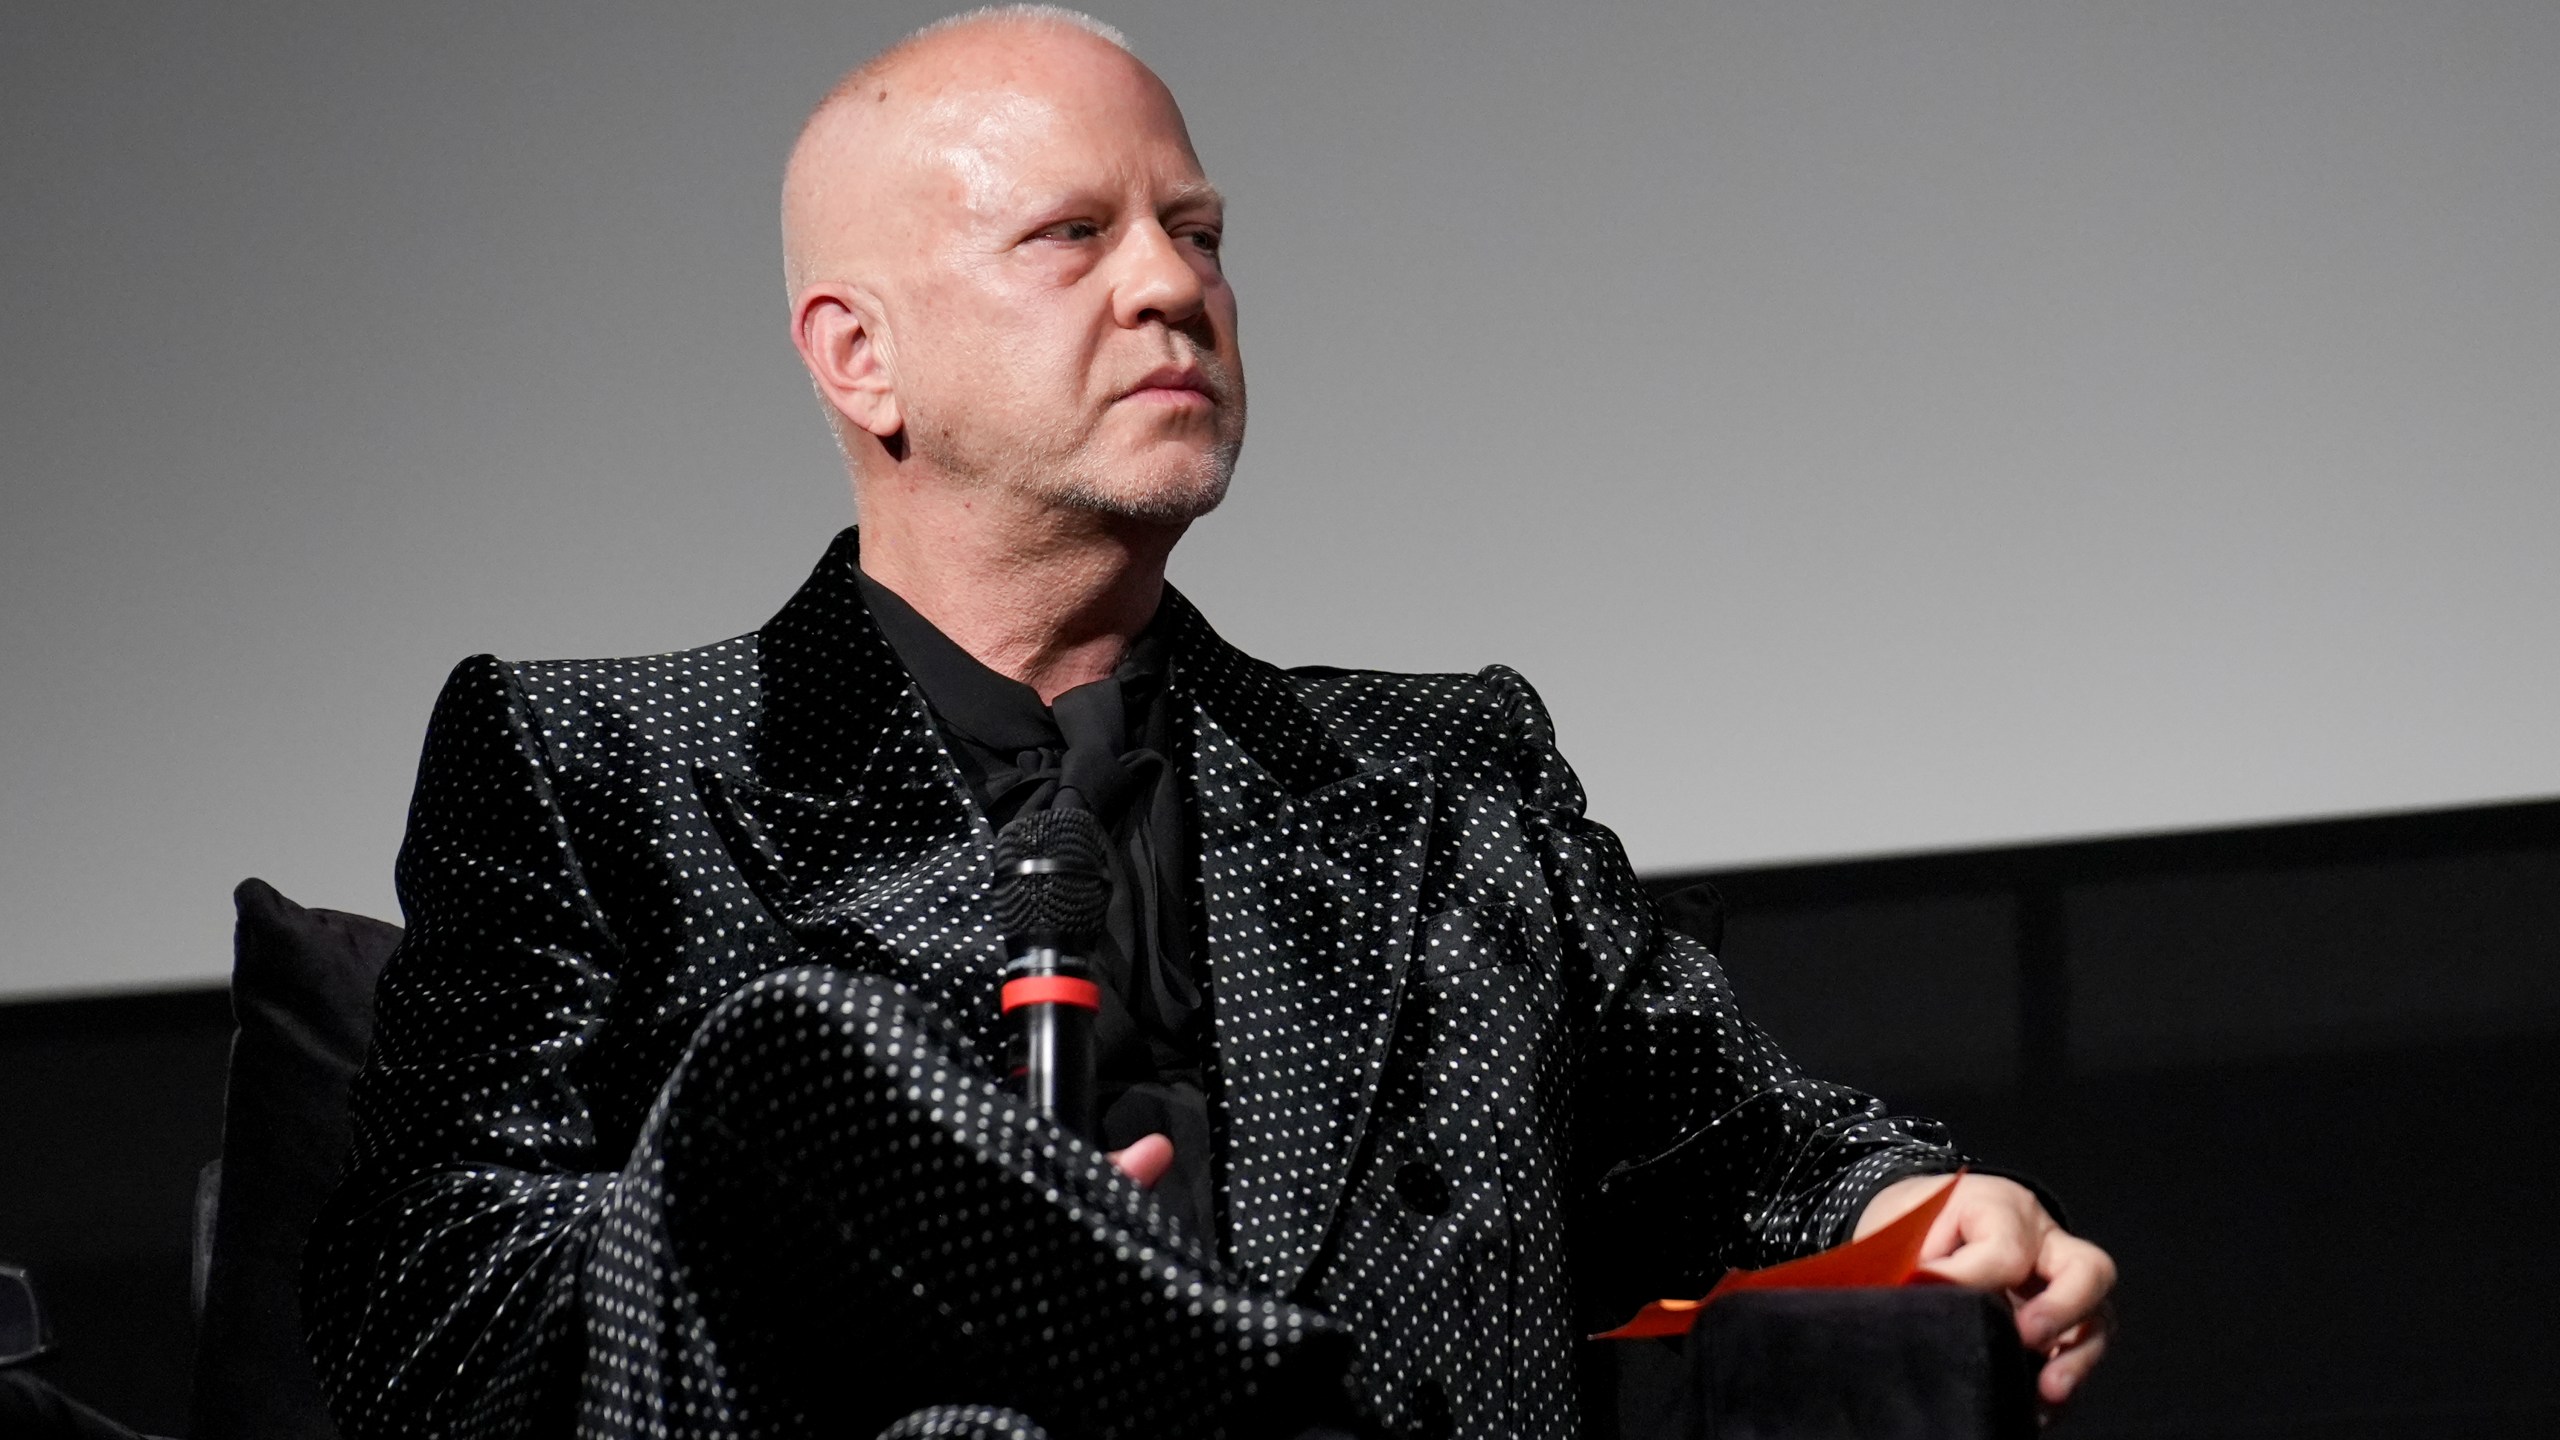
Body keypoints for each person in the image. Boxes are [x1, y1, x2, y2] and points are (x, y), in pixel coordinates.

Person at [303, 8, 2114, 1439]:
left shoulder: (1442, 776)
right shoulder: (594, 764)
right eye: (1071, 237)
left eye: (1198, 232)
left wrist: (1939, 1207)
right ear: (860, 358)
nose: (1173, 286)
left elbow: (1751, 1152)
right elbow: (447, 1343)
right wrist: (914, 1193)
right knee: (789, 1101)